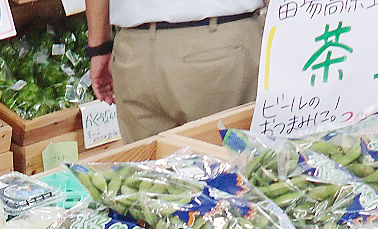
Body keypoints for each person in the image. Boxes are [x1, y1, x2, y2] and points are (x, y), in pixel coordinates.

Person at [85, 0, 266, 142]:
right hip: (219, 47)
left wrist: (99, 48)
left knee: (151, 180)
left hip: (134, 51)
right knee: (235, 176)